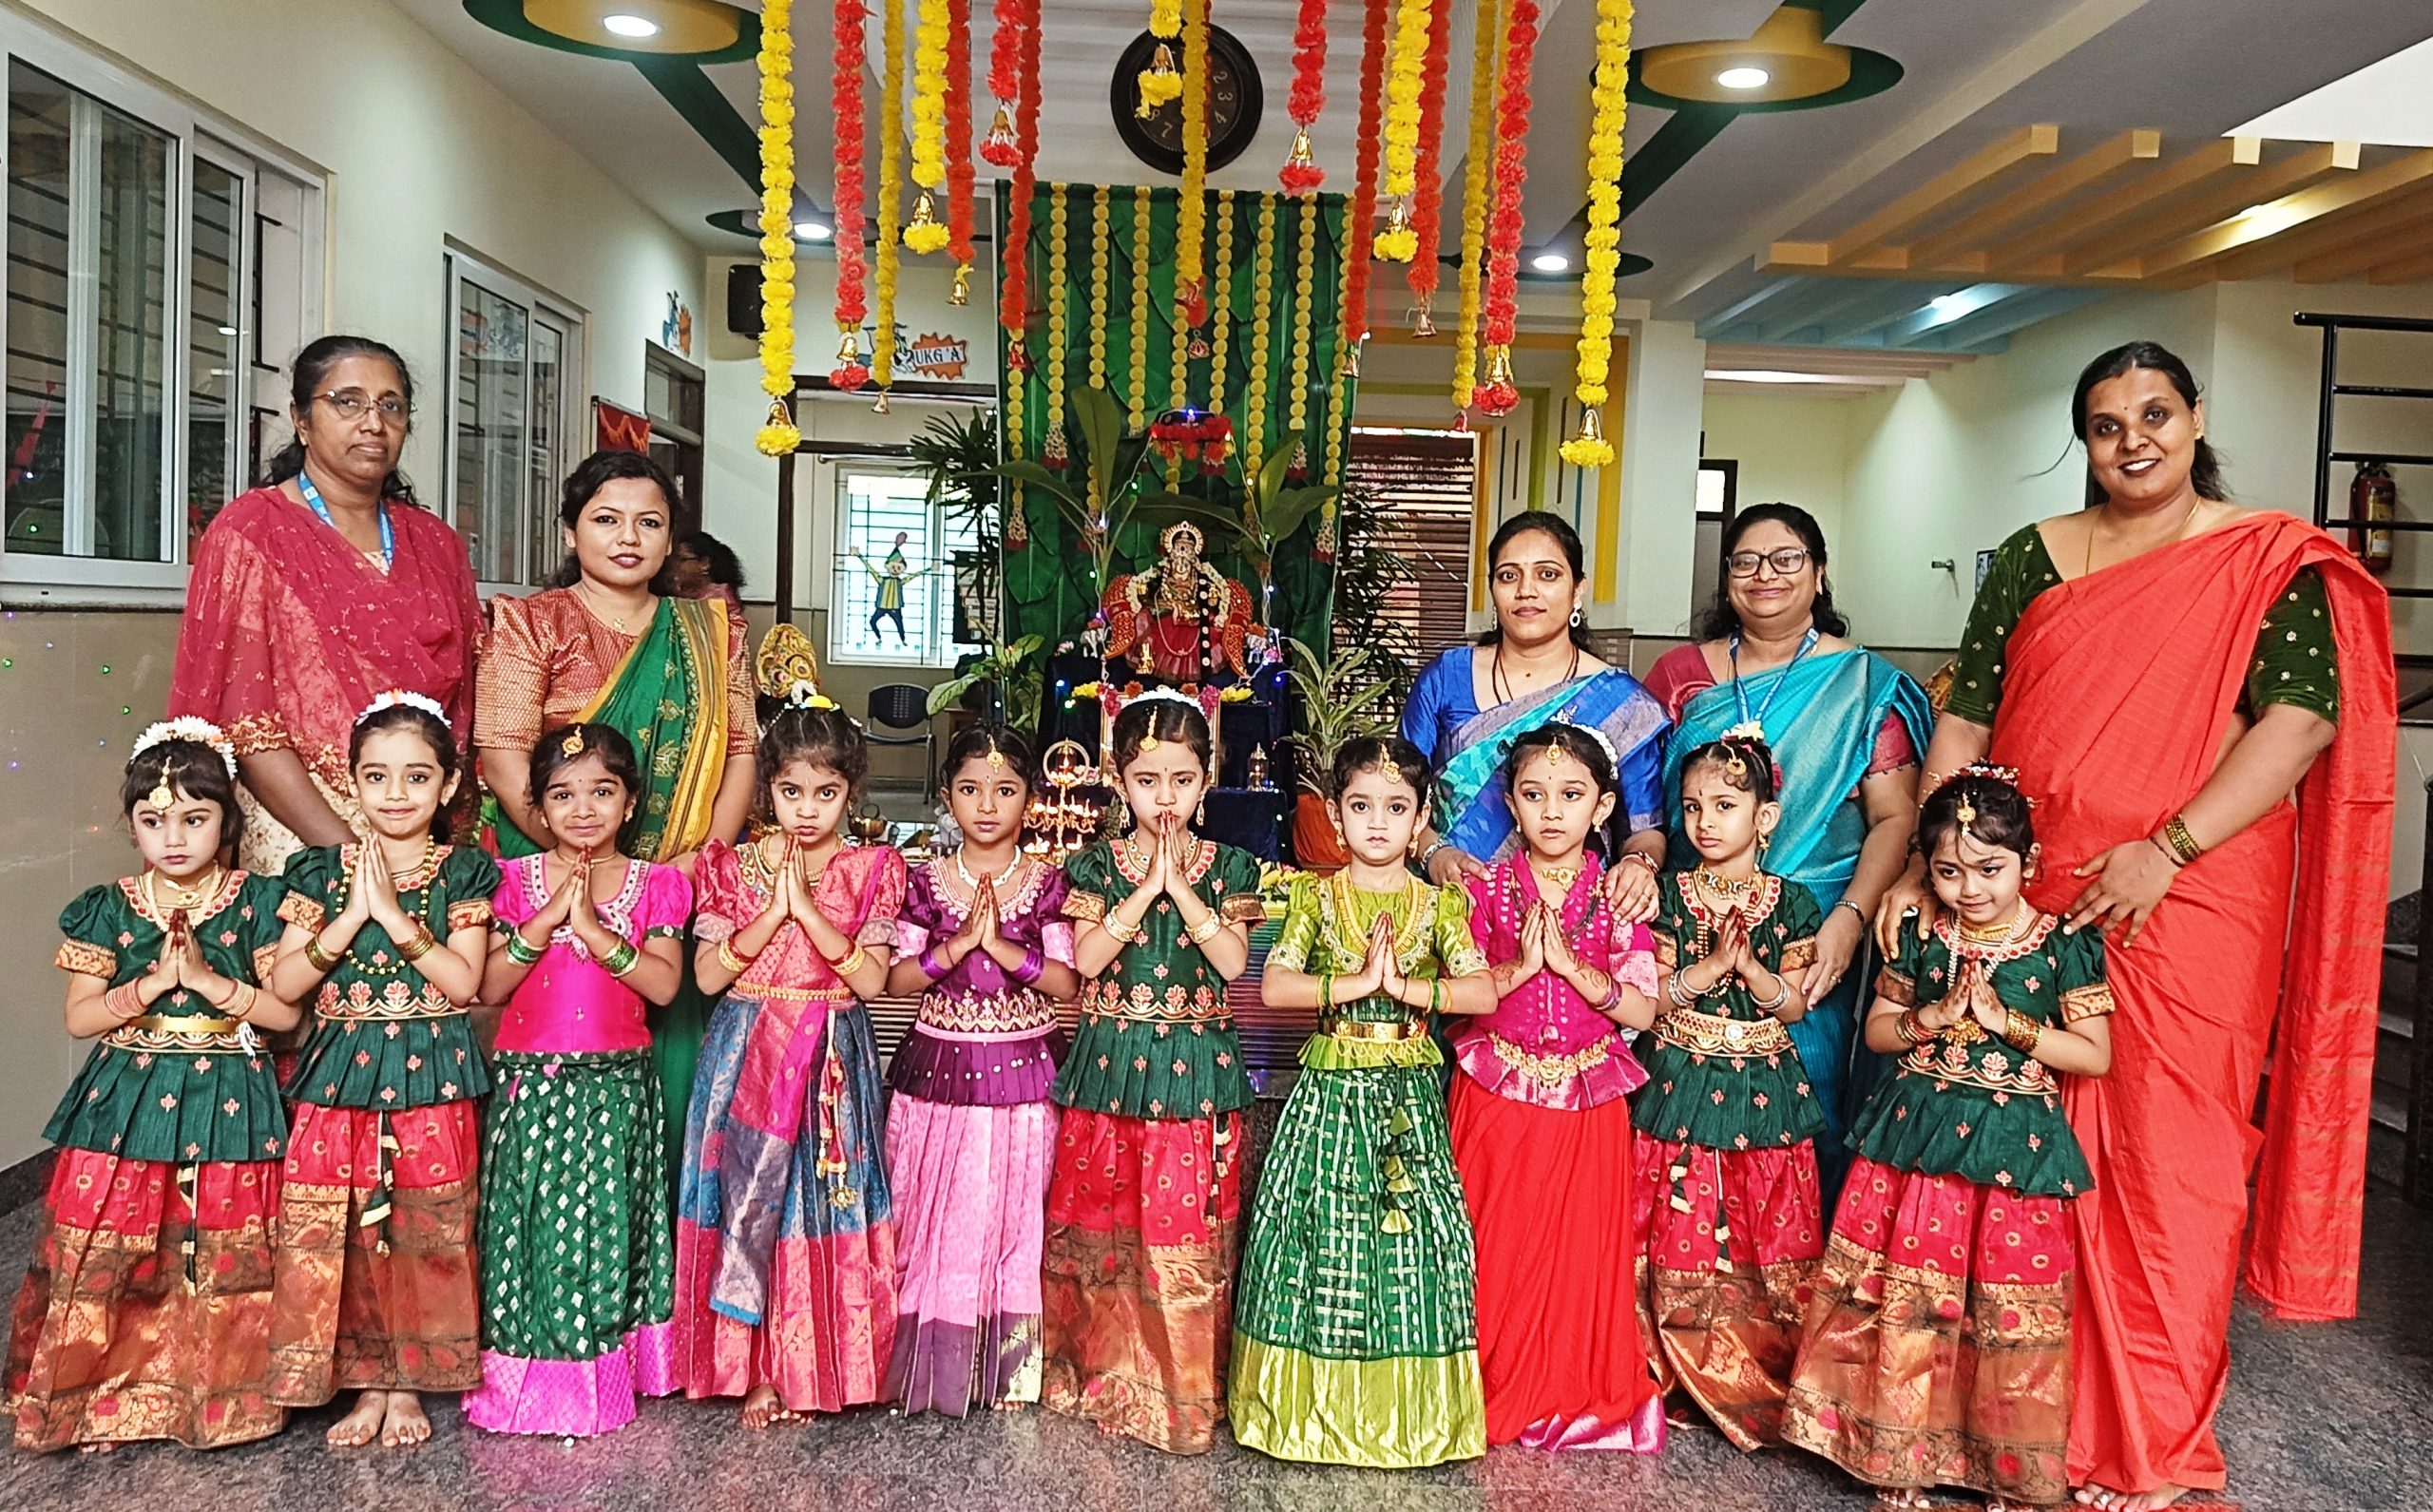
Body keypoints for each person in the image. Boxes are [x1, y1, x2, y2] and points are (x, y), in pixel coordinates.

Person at [1874, 341, 2393, 1512]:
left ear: (2195, 416)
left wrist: (2170, 847)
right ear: (2085, 440)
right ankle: (2017, 1425)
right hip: (2027, 888)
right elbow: (1971, 714)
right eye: (2106, 425)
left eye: (2154, 414)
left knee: (2174, 1157)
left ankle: (2149, 1436)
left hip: (2194, 897)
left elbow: (2300, 721)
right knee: (2015, 1138)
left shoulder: (2260, 559)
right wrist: (1923, 863)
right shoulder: (2034, 555)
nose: (2132, 441)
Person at [1786, 769, 2113, 1510]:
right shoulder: (1921, 936)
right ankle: (1895, 1454)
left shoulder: (2062, 945)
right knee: (1910, 1301)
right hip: (1916, 1141)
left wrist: (2007, 1024)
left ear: (2028, 862)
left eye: (1991, 869)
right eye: (1949, 871)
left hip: (2014, 1151)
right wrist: (1929, 1020)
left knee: (2004, 1310)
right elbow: (1878, 1030)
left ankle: (2005, 1469)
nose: (1970, 889)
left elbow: (2094, 1054)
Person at [7, 721, 302, 1452]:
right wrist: (151, 984)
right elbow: (81, 1018)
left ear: (228, 820)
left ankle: (215, 1398)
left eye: (195, 818)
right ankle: (102, 1396)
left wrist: (203, 979)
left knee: (217, 1251)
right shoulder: (108, 907)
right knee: (113, 1245)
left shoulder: (259, 900)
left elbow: (285, 1015)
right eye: (152, 820)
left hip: (229, 1092)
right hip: (128, 1095)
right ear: (131, 822)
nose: (173, 838)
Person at [475, 449, 757, 1176]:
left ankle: (670, 1231)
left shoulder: (714, 630)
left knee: (678, 1065)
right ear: (572, 531)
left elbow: (741, 753)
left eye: (649, 522)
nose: (628, 536)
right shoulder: (530, 624)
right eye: (606, 519)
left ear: (670, 538)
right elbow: (505, 759)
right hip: (558, 875)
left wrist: (697, 861)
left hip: (678, 879)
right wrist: (589, 864)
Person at [1643, 504, 1931, 1194]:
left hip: (1814, 925)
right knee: (1677, 1103)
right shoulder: (1680, 676)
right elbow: (1644, 806)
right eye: (1745, 561)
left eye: (1786, 558)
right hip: (1689, 921)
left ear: (1819, 573)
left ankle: (1795, 1242)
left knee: (1808, 1096)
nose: (1764, 574)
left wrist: (1849, 920)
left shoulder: (1862, 684)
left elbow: (1895, 817)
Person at [1231, 737, 1498, 1468]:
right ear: (1333, 815)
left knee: (1417, 1241)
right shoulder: (1316, 898)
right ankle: (1304, 1410)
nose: (1378, 822)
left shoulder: (1439, 904)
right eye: (1360, 805)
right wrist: (1358, 984)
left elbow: (1482, 990)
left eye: (1396, 807)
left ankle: (1412, 1414)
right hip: (1330, 1088)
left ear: (1421, 818)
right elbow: (1275, 985)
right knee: (1319, 1233)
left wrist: (1406, 989)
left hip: (1408, 1093)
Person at [264, 694, 499, 1447]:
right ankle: (366, 1381)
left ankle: (408, 1384)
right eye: (377, 776)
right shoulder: (318, 871)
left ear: (448, 783)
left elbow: (463, 983)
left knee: (425, 1227)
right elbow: (285, 985)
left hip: (432, 1072)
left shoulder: (463, 871)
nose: (396, 794)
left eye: (417, 776)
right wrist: (350, 915)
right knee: (342, 1227)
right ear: (351, 781)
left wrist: (393, 914)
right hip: (339, 1075)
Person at [1041, 691, 1264, 1453]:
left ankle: (1182, 1393)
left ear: (1208, 779)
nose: (1164, 797)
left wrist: (1182, 890)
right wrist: (1146, 888)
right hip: (1110, 1068)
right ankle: (1100, 1377)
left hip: (1194, 1072)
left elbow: (1231, 963)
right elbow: (1088, 960)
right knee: (1105, 1227)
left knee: (1181, 1238)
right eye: (1146, 780)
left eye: (1182, 779)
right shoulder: (1095, 864)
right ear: (1117, 779)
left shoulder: (1230, 864)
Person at [675, 694, 905, 1427]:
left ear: (851, 790)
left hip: (830, 1056)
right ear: (768, 787)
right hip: (745, 1049)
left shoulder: (872, 868)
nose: (807, 809)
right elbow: (706, 977)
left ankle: (816, 1362)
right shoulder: (730, 867)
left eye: (826, 792)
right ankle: (750, 1368)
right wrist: (773, 911)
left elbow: (871, 982)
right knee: (749, 1200)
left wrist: (807, 911)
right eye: (791, 790)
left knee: (816, 1199)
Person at [172, 335, 484, 874]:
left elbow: (471, 694)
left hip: (423, 821)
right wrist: (348, 853)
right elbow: (246, 723)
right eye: (348, 402)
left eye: (391, 406)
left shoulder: (436, 543)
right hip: (299, 830)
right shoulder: (252, 532)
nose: (373, 423)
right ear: (301, 420)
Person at [465, 724, 692, 1437]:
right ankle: (525, 1386)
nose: (584, 809)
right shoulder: (509, 881)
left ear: (631, 803)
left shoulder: (658, 885)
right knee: (529, 1229)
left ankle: (611, 1375)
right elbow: (488, 986)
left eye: (602, 791)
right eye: (562, 795)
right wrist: (545, 922)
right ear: (537, 807)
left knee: (608, 1227)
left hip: (616, 1089)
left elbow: (663, 986)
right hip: (530, 1086)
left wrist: (594, 933)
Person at [1448, 722, 1665, 1452]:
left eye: (1571, 794)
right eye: (1534, 793)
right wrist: (1516, 970)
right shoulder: (1483, 890)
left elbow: (1644, 1009)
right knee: (1494, 1244)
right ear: (1510, 803)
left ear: (1602, 807)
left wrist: (1574, 970)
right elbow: (1458, 992)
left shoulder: (1618, 897)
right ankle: (1482, 1383)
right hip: (1497, 1091)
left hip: (1585, 1099)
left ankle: (1565, 1387)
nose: (1551, 811)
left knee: (1576, 1256)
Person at [1637, 735, 1827, 1449]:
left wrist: (1750, 974)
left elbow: (1795, 1006)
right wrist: (1710, 968)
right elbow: (1652, 1000)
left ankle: (1750, 1365)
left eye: (1724, 805)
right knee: (1672, 1211)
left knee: (1760, 1216)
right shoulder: (1669, 895)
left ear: (1764, 816)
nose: (1705, 821)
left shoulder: (1793, 903)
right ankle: (1670, 1362)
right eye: (1692, 807)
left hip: (1761, 1081)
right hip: (1680, 1074)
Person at [882, 727, 1078, 1417]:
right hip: (940, 1070)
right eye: (969, 789)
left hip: (1025, 1076)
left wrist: (999, 946)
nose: (986, 805)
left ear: (1031, 798)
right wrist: (958, 945)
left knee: (1017, 1216)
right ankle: (929, 1364)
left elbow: (1066, 981)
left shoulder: (1048, 883)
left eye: (1004, 790)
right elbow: (896, 980)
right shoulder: (923, 883)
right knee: (931, 1215)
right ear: (946, 796)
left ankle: (1010, 1367)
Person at [1401, 510, 1670, 913]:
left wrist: (1638, 864)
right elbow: (1399, 793)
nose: (1526, 590)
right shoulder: (1445, 680)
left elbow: (1646, 828)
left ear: (1578, 589)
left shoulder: (1622, 703)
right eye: (1509, 576)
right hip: (1448, 909)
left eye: (1547, 575)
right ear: (1492, 589)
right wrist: (1433, 853)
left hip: (1575, 921)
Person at [672, 530, 747, 610]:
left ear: (705, 563)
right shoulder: (677, 593)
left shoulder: (719, 598)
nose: (674, 564)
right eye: (671, 560)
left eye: (681, 559)